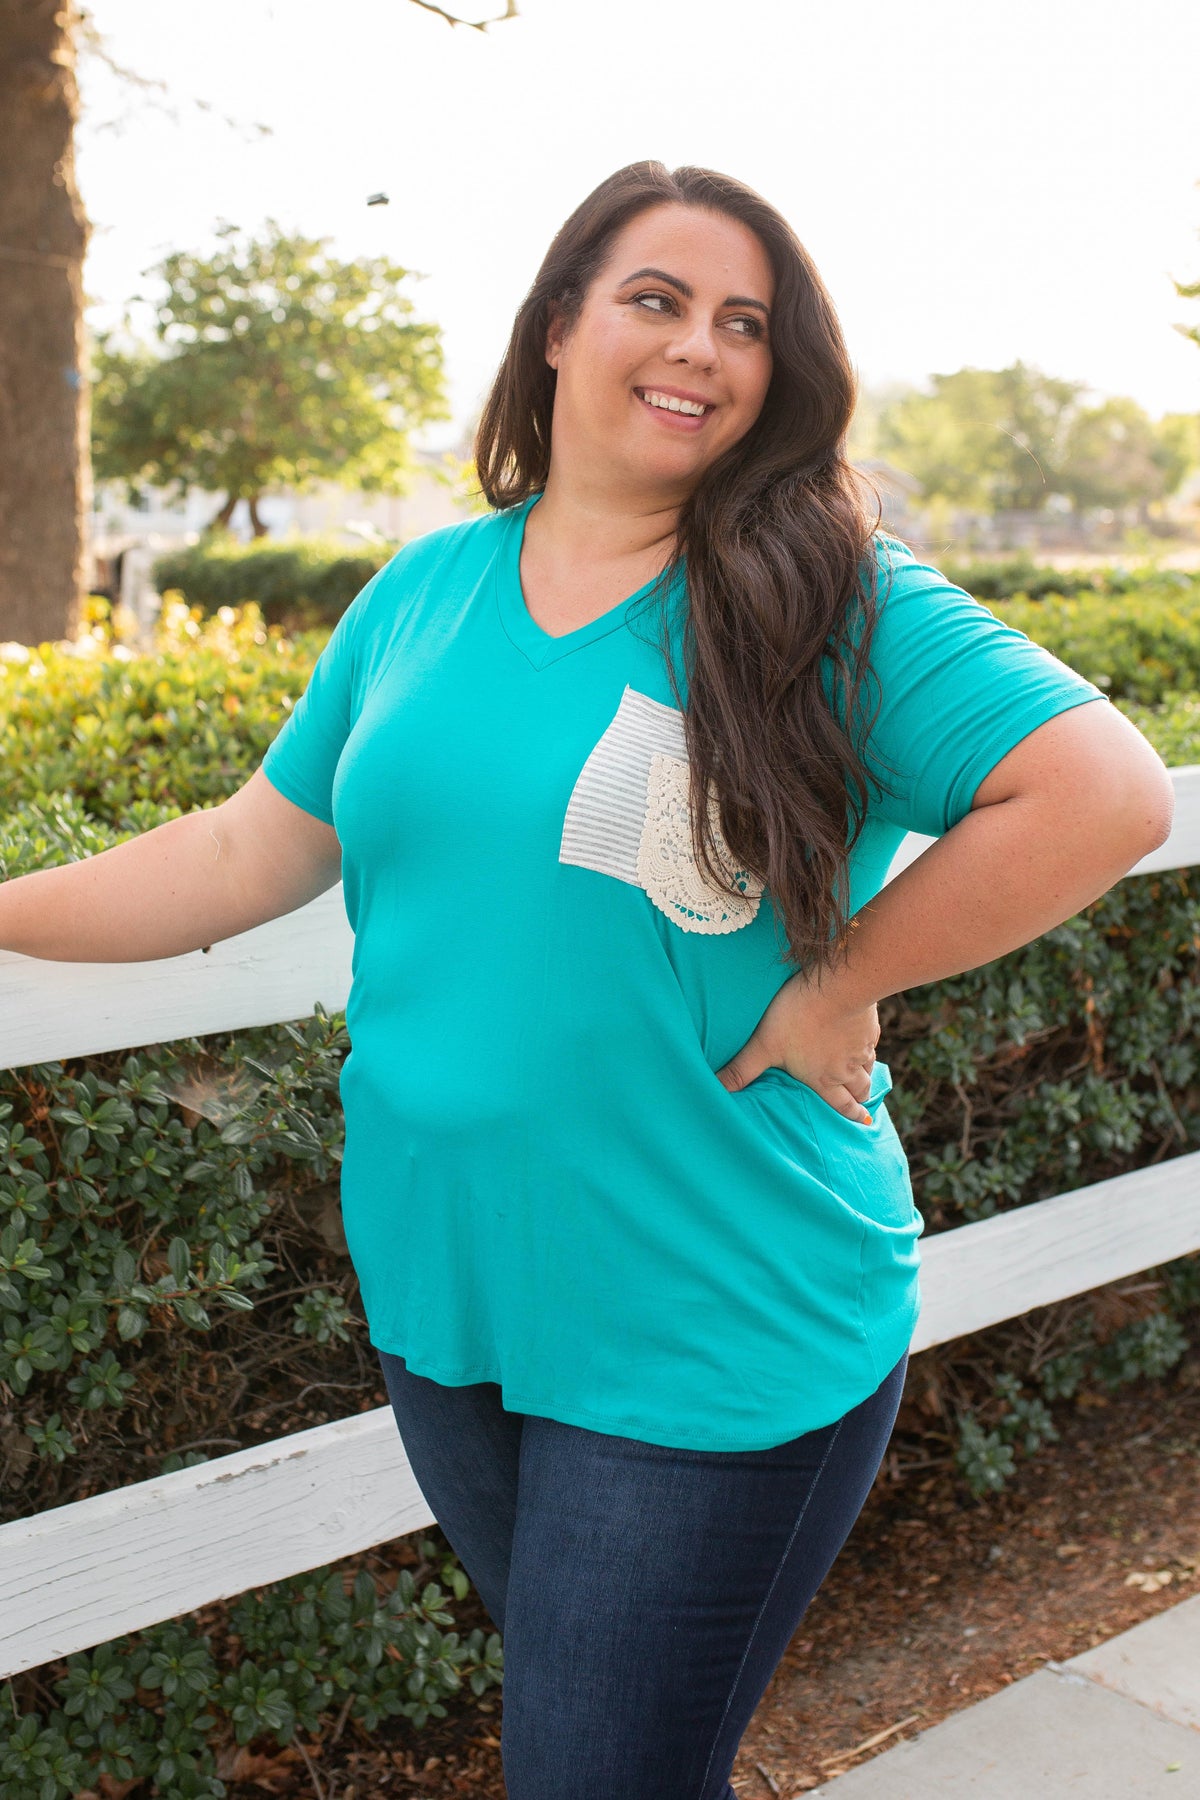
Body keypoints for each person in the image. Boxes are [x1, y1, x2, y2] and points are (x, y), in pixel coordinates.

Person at [2, 161, 1174, 1798]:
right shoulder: (421, 593)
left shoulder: (820, 595)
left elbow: (1103, 793)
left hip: (710, 1311)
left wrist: (840, 977)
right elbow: (238, 857)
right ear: (560, 324)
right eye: (657, 298)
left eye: (746, 322)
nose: (701, 347)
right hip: (448, 1303)